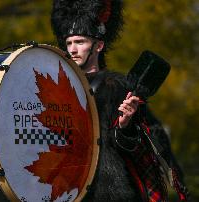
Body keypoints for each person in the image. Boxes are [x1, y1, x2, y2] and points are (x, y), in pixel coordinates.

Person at [51, 0, 189, 201]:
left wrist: (125, 127)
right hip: (66, 188)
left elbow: (139, 150)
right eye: (69, 43)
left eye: (80, 42)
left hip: (108, 192)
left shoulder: (118, 88)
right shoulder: (57, 88)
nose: (72, 49)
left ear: (98, 45)